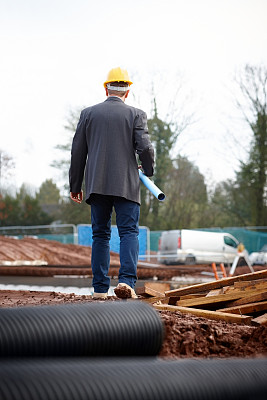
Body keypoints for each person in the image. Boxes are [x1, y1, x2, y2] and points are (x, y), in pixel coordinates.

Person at [69, 67, 155, 299]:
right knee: (129, 232)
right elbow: (145, 148)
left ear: (106, 88)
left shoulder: (88, 114)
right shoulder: (136, 114)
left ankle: (99, 289)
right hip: (126, 184)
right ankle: (126, 282)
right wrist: (147, 170)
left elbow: (78, 152)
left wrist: (75, 186)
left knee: (100, 235)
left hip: (96, 184)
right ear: (127, 92)